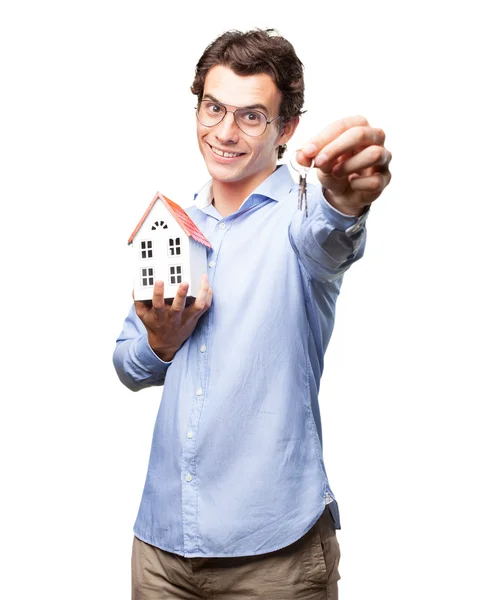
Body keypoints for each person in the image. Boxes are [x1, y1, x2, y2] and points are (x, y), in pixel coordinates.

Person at [113, 28, 392, 600]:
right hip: (162, 549)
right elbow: (128, 364)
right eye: (213, 108)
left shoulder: (302, 217)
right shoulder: (176, 226)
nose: (223, 132)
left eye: (251, 116)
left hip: (275, 557)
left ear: (285, 129)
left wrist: (346, 198)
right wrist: (160, 342)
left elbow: (331, 235)